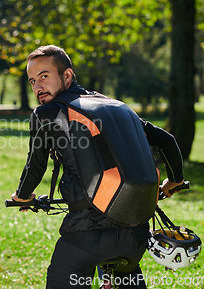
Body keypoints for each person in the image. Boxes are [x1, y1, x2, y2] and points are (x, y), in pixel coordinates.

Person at [10, 45, 185, 289]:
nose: (38, 87)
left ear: (67, 75)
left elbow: (35, 166)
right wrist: (175, 181)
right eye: (32, 81)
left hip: (85, 238)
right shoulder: (117, 107)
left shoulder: (46, 113)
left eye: (44, 76)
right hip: (135, 238)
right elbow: (167, 141)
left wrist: (22, 196)